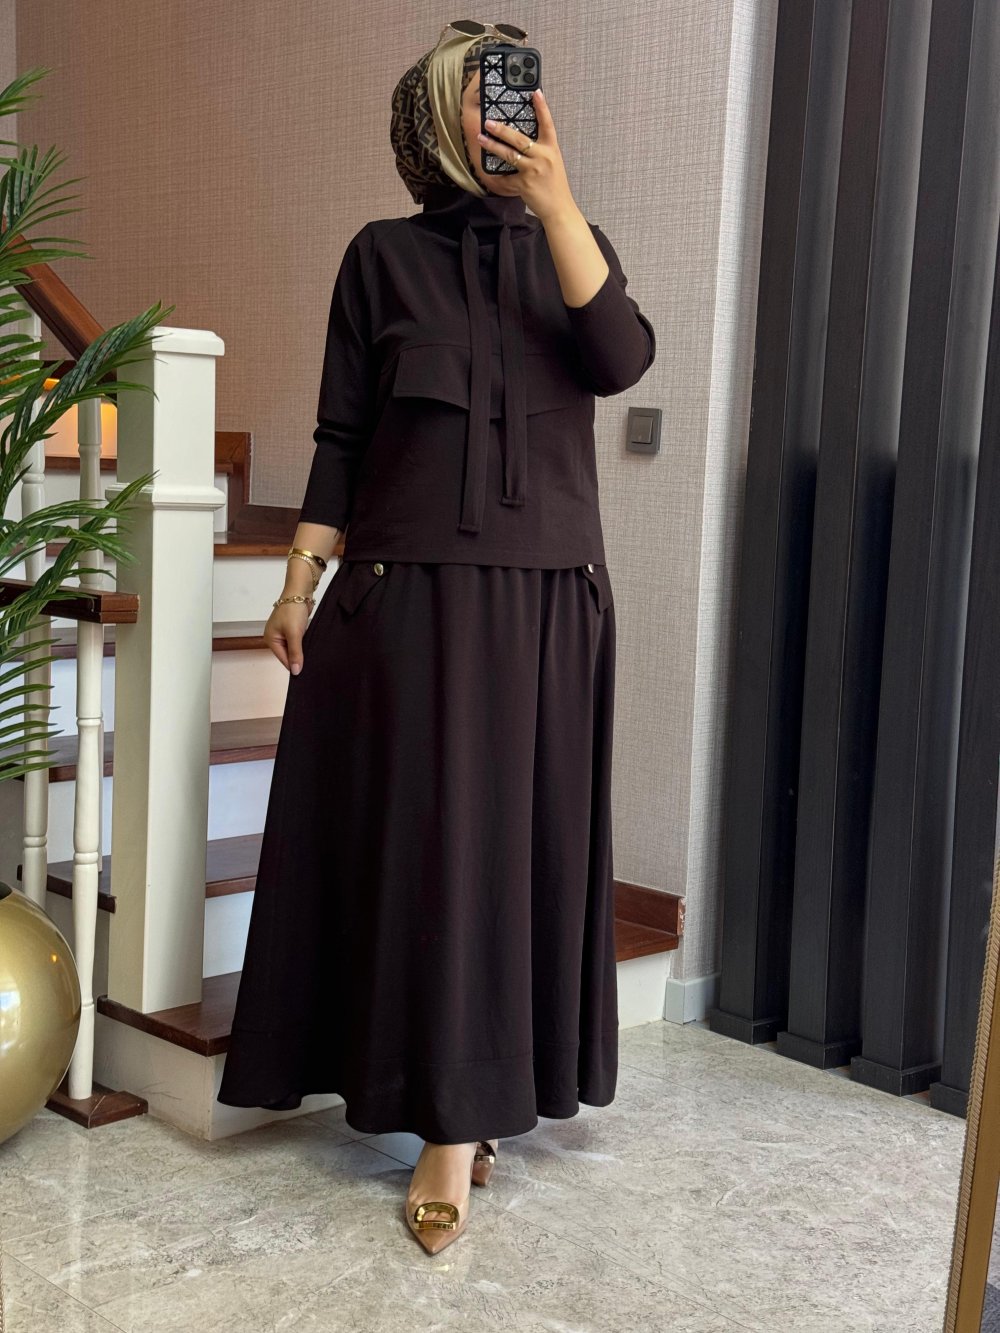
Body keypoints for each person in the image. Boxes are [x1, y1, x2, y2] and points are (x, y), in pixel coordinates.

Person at [216, 20, 656, 1256]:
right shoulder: (380, 259)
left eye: (510, 89)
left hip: (546, 606)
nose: (496, 111)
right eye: (472, 93)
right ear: (431, 116)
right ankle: (442, 1111)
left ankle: (469, 1116)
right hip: (405, 599)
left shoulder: (575, 246)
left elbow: (620, 357)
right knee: (425, 856)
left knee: (510, 856)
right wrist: (297, 583)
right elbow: (341, 438)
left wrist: (557, 205)